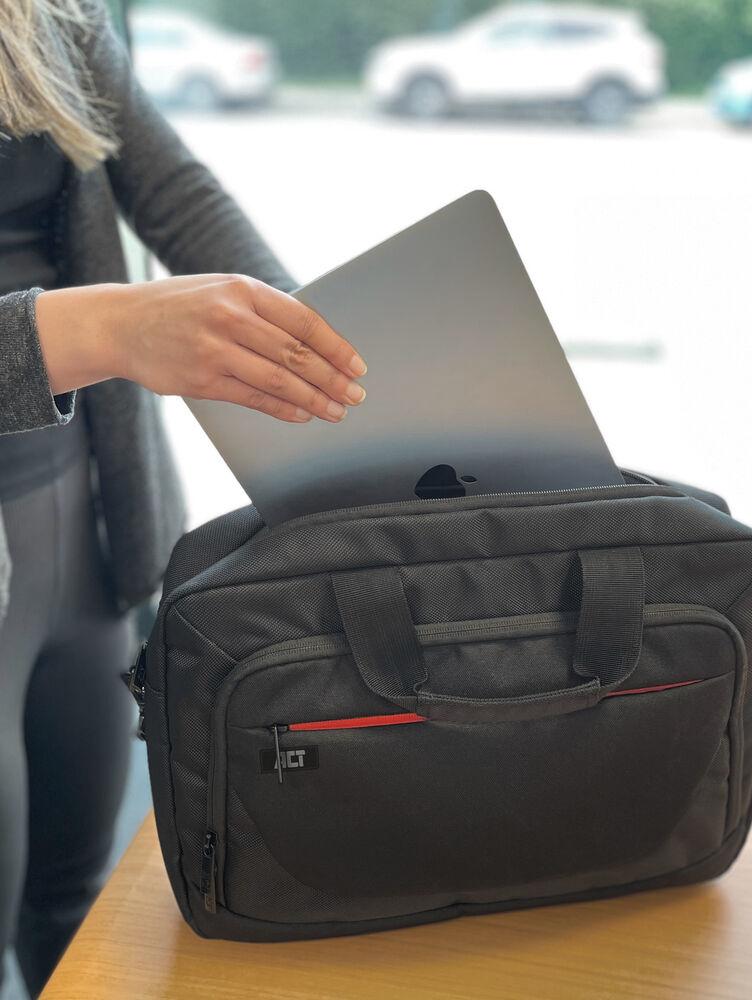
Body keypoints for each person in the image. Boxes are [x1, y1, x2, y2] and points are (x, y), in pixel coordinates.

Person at [0, 1, 366, 994]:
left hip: (83, 519)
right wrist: (106, 330)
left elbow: (178, 197)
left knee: (74, 899)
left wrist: (313, 367)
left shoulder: (49, 14)